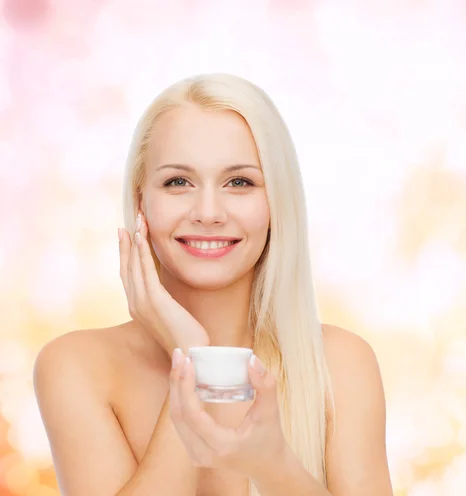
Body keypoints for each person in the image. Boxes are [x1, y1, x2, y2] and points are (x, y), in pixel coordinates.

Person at [33, 73, 393, 496]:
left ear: (277, 201)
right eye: (177, 182)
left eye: (239, 182)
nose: (208, 212)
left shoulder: (341, 364)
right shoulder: (76, 365)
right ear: (140, 202)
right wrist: (195, 360)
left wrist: (275, 467)